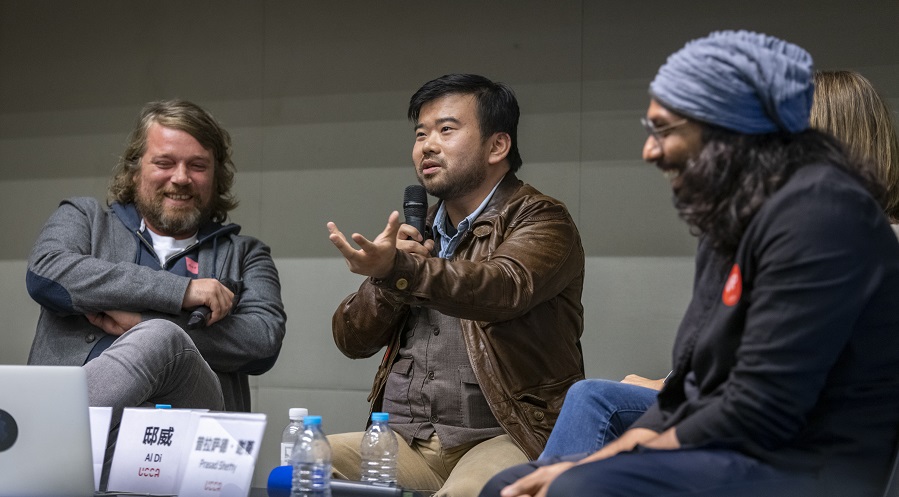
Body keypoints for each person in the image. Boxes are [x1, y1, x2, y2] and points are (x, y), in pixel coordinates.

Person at [481, 30, 899, 497]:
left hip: (796, 457)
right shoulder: (731, 232)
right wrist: (603, 456)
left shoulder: (836, 232)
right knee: (512, 483)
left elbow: (761, 403)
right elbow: (694, 379)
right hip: (727, 438)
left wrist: (608, 464)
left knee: (577, 483)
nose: (651, 151)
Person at [326, 74, 585, 496]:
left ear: (497, 146)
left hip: (504, 435)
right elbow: (351, 340)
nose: (427, 145)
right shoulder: (419, 229)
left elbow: (504, 287)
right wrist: (387, 281)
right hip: (406, 439)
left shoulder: (541, 218)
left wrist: (402, 271)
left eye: (446, 130)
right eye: (420, 133)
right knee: (305, 465)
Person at [26, 99, 286, 415]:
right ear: (134, 171)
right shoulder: (84, 218)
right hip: (80, 435)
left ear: (217, 176)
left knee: (160, 335)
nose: (181, 178)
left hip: (195, 441)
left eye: (198, 166)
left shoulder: (245, 254)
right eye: (164, 163)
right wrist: (182, 292)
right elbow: (47, 275)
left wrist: (143, 322)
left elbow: (262, 342)